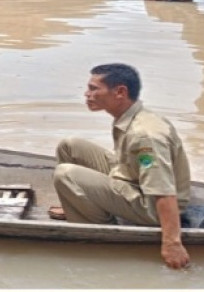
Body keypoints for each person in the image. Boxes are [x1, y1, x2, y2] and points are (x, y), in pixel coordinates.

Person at [52, 63, 191, 269]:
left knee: (65, 174)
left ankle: (99, 232)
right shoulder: (131, 117)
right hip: (132, 180)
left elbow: (164, 191)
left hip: (152, 206)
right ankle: (76, 206)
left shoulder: (145, 135)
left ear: (120, 92)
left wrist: (172, 243)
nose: (87, 94)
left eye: (93, 89)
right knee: (70, 146)